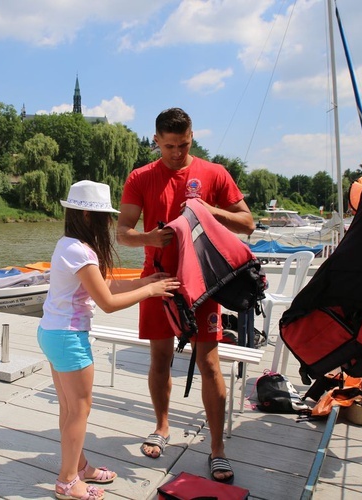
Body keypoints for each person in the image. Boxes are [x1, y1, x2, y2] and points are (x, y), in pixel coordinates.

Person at [116, 108, 255, 484]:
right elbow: (122, 233)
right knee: (159, 359)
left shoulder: (214, 174)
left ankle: (216, 449)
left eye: (184, 145)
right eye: (170, 146)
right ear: (156, 140)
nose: (177, 153)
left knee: (209, 364)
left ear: (192, 136)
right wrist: (148, 238)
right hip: (158, 281)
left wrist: (209, 210)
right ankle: (162, 427)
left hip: (205, 282)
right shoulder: (141, 177)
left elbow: (248, 223)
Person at [38, 180, 180, 500]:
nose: (109, 224)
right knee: (79, 411)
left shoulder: (68, 244)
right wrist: (151, 291)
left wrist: (144, 281)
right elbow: (108, 304)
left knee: (69, 408)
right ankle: (67, 482)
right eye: (106, 218)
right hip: (69, 338)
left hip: (52, 332)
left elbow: (105, 288)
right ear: (89, 216)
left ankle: (79, 466)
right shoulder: (81, 251)